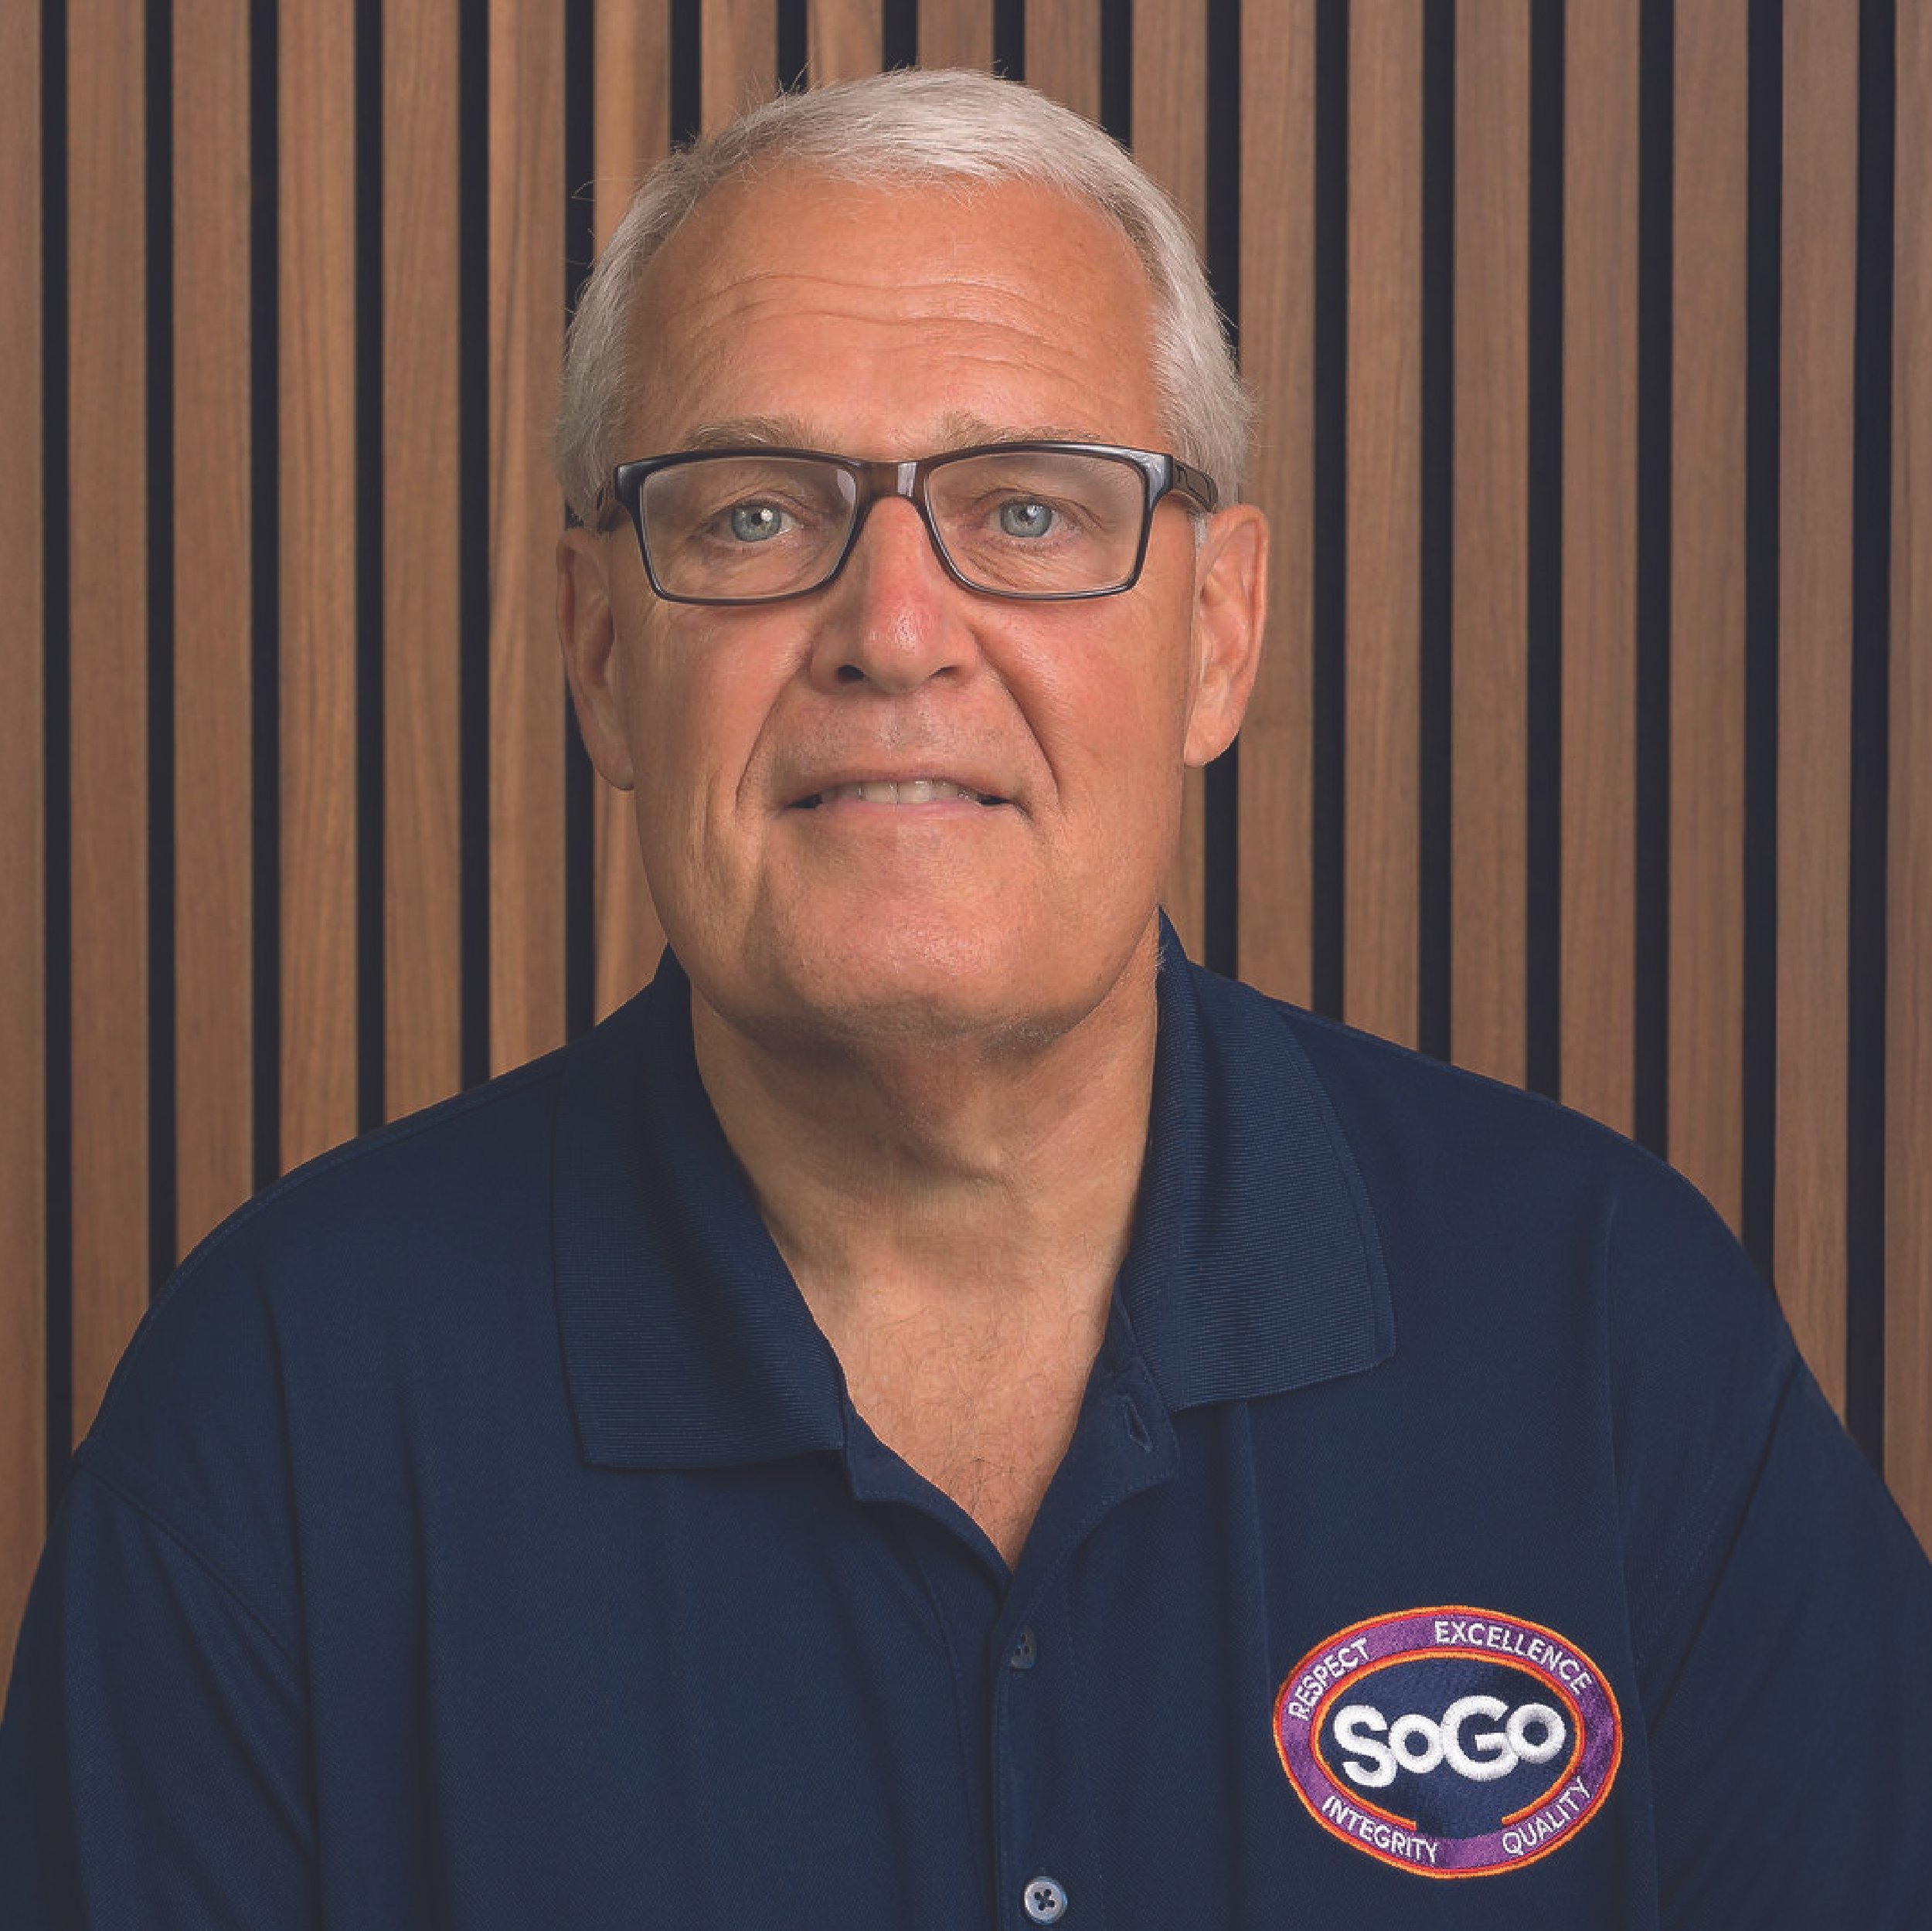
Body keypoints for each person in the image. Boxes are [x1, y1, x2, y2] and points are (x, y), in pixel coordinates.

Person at [2, 66, 1929, 1928]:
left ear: (1218, 631)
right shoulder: (277, 1414)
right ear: (598, 650)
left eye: (1026, 507)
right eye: (753, 510)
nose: (895, 630)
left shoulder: (1609, 1338)